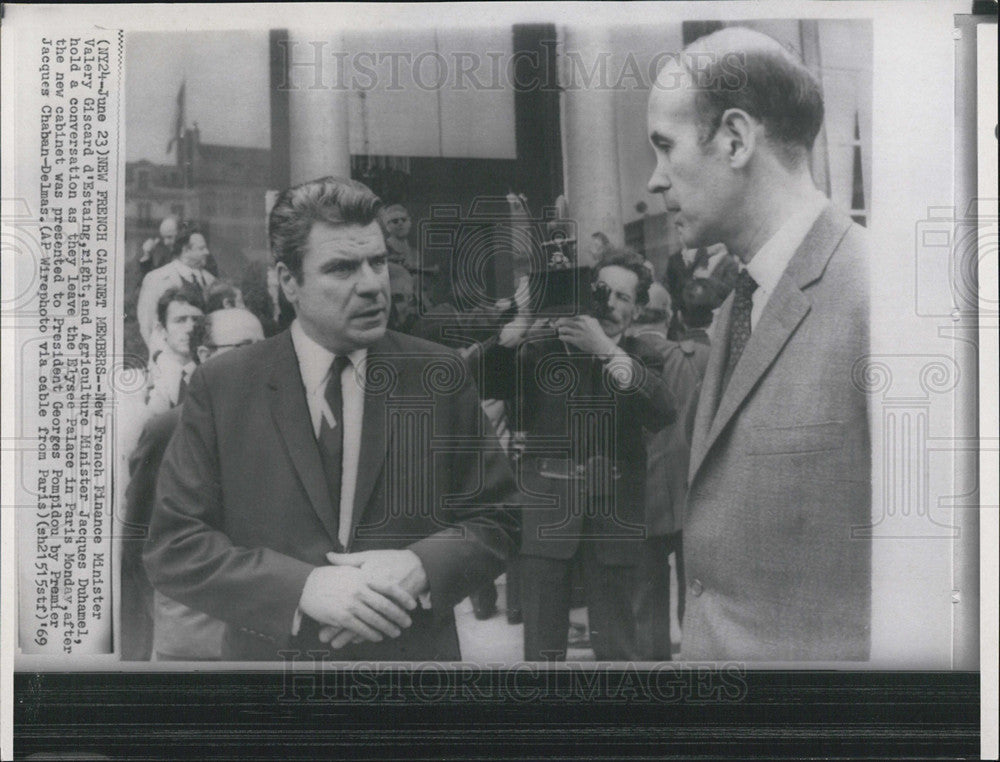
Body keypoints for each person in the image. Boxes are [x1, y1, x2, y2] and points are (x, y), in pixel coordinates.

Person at [144, 176, 521, 661]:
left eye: (378, 262)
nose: (371, 285)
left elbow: (502, 517)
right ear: (289, 281)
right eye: (342, 268)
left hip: (407, 689)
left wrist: (420, 566)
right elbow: (174, 546)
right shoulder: (224, 388)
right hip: (271, 696)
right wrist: (302, 589)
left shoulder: (437, 376)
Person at [646, 27, 871, 661]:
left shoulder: (882, 300)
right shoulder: (741, 301)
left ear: (737, 139)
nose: (655, 180)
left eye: (665, 148)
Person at [483, 249, 676, 661]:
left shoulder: (642, 355)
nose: (610, 304)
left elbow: (661, 410)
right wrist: (522, 321)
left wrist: (604, 349)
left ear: (639, 307)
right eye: (602, 292)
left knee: (618, 645)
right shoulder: (541, 349)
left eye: (624, 298)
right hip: (546, 512)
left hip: (613, 516)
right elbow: (483, 380)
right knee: (542, 648)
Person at [121, 308, 266, 661]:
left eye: (268, 347)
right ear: (204, 356)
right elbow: (138, 540)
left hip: (266, 642)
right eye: (246, 347)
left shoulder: (284, 428)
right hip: (191, 646)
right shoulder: (167, 431)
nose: (264, 359)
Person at [136, 225, 217, 355]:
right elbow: (148, 325)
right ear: (185, 250)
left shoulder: (210, 280)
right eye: (201, 248)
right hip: (170, 360)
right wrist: (162, 359)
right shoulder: (156, 279)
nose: (207, 252)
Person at [144, 285, 204, 417]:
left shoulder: (210, 375)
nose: (190, 328)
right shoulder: (148, 379)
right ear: (162, 330)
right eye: (180, 320)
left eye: (196, 320)